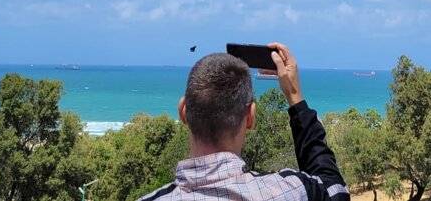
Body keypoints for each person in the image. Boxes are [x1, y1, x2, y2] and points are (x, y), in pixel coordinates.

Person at [136, 42, 350, 201]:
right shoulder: (289, 191)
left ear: (183, 111)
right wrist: (295, 99)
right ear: (250, 118)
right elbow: (335, 189)